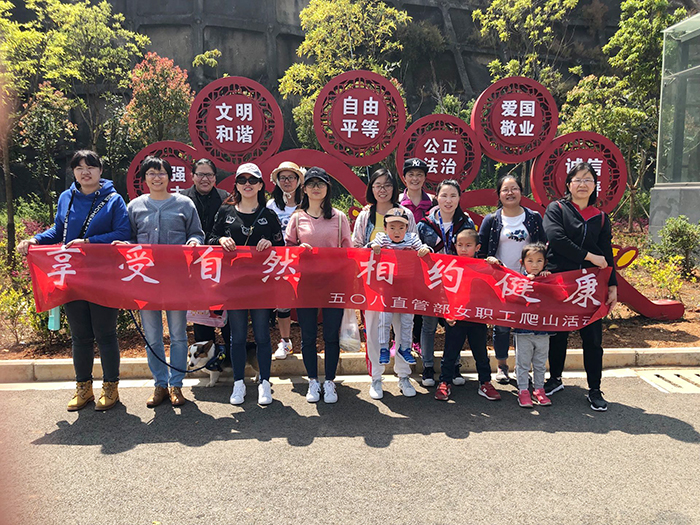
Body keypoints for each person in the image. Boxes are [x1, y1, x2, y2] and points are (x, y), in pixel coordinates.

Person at [17, 150, 131, 411]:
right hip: (73, 275)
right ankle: (83, 388)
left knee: (105, 334)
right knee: (80, 336)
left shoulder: (114, 200)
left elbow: (124, 232)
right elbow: (59, 230)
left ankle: (110, 387)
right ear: (74, 172)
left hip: (104, 276)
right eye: (79, 168)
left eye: (90, 167)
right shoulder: (66, 198)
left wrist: (89, 242)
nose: (85, 172)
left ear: (100, 171)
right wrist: (35, 239)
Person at [123, 156, 204, 408]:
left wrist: (193, 242)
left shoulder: (184, 204)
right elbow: (129, 238)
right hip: (145, 281)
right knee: (153, 337)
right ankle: (159, 384)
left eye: (161, 173)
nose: (156, 178)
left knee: (178, 335)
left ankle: (176, 384)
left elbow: (196, 233)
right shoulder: (135, 206)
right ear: (144, 178)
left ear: (169, 177)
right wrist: (124, 245)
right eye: (151, 173)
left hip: (176, 280)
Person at [542, 161, 618, 412]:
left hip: (590, 285)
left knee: (593, 338)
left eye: (588, 179)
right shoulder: (557, 209)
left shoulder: (601, 217)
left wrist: (612, 285)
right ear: (568, 184)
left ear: (595, 186)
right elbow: (556, 239)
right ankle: (555, 379)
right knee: (558, 334)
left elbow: (606, 253)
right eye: (578, 179)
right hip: (561, 282)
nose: (583, 184)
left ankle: (594, 389)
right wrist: (589, 257)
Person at [209, 163, 284, 406]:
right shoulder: (225, 211)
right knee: (237, 336)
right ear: (237, 185)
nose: (247, 184)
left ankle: (265, 382)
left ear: (261, 185)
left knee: (262, 335)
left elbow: (282, 248)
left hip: (261, 285)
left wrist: (270, 245)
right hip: (234, 285)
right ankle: (238, 383)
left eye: (253, 180)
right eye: (242, 180)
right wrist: (221, 239)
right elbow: (210, 239)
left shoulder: (269, 215)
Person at [285, 167, 352, 403]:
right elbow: (287, 249)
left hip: (334, 283)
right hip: (306, 283)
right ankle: (313, 381)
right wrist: (298, 250)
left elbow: (349, 251)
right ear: (304, 189)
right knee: (308, 335)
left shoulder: (339, 217)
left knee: (331, 335)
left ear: (327, 188)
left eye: (320, 183)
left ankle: (330, 381)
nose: (316, 188)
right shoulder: (297, 217)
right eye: (311, 184)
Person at [352, 168, 418, 400]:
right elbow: (356, 246)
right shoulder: (366, 216)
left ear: (394, 188)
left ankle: (403, 376)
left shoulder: (406, 214)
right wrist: (371, 250)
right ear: (371, 188)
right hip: (374, 285)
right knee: (374, 330)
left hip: (402, 283)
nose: (382, 190)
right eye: (377, 185)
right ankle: (376, 378)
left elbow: (415, 244)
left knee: (403, 328)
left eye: (387, 185)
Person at [478, 175, 547, 384]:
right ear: (499, 194)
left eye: (514, 188)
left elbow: (543, 246)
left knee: (524, 325)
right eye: (505, 190)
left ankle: (522, 366)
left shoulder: (533, 218)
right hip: (501, 282)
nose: (510, 193)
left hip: (528, 281)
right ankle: (502, 365)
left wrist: (541, 271)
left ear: (521, 191)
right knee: (501, 325)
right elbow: (481, 252)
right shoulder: (492, 219)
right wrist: (489, 262)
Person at [417, 179, 476, 388]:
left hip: (457, 283)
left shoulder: (466, 223)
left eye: (453, 196)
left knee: (455, 325)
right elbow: (415, 252)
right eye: (444, 195)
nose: (448, 200)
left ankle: (453, 365)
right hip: (431, 282)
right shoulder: (424, 224)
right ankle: (427, 366)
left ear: (459, 198)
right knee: (429, 325)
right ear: (437, 197)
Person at [434, 229, 501, 402]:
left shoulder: (484, 265)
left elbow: (501, 278)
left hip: (477, 317)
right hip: (455, 317)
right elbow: (443, 292)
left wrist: (496, 264)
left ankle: (485, 382)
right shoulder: (450, 265)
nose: (463, 249)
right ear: (455, 246)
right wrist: (446, 314)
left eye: (468, 245)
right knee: (450, 353)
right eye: (460, 245)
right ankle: (445, 382)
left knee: (481, 353)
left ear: (477, 247)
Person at [368, 207, 430, 365]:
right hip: (387, 285)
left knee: (408, 320)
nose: (397, 231)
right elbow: (369, 247)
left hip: (407, 286)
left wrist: (425, 250)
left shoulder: (412, 238)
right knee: (385, 318)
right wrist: (373, 247)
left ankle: (405, 348)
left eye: (401, 227)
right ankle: (384, 348)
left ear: (407, 228)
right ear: (385, 228)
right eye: (392, 227)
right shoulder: (382, 238)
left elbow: (424, 248)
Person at [182, 158, 231, 354]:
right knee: (200, 316)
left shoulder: (226, 198)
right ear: (192, 176)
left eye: (209, 175)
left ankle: (230, 359)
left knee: (226, 315)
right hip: (193, 267)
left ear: (215, 177)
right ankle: (206, 361)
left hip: (221, 266)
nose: (205, 179)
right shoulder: (182, 199)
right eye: (200, 174)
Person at [267, 161, 304, 360]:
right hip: (279, 261)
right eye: (283, 178)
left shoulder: (307, 203)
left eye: (291, 177)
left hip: (304, 260)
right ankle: (285, 341)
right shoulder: (271, 205)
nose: (287, 181)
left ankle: (309, 342)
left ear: (298, 180)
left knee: (307, 301)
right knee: (282, 303)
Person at [399, 157, 436, 356]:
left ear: (425, 177)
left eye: (419, 174)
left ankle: (417, 340)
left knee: (422, 299)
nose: (415, 178)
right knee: (401, 299)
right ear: (404, 177)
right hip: (402, 260)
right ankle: (399, 339)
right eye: (411, 174)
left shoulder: (434, 202)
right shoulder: (396, 201)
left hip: (427, 259)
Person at [512, 243, 552, 408]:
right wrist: (525, 282)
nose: (534, 265)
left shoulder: (549, 279)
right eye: (530, 261)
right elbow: (513, 298)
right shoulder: (517, 279)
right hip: (523, 330)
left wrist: (547, 279)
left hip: (543, 330)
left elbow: (556, 298)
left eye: (539, 261)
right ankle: (523, 390)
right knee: (523, 362)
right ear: (522, 262)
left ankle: (539, 389)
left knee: (540, 362)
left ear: (545, 262)